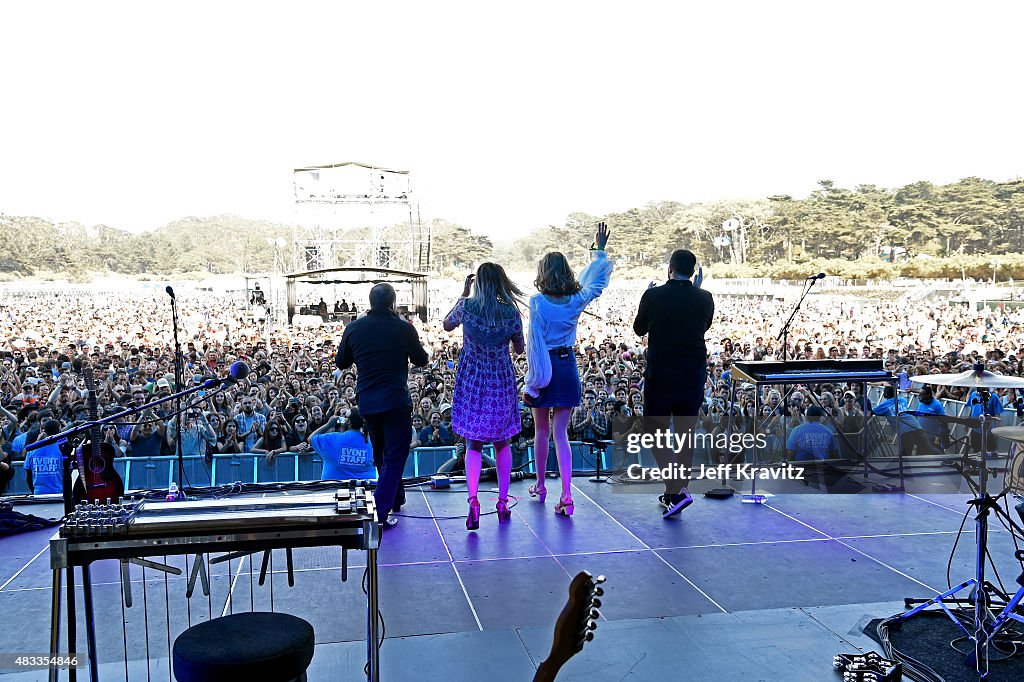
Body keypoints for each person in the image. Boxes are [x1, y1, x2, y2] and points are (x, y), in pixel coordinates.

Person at [524, 223, 613, 516]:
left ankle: (540, 485)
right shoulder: (576, 300)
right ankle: (566, 494)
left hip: (544, 367)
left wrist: (532, 381)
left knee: (541, 431)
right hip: (567, 366)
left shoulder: (536, 302)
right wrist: (599, 250)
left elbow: (534, 344)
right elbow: (596, 282)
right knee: (561, 434)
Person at [337, 283, 429, 529]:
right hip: (395, 400)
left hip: (367, 400)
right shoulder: (403, 328)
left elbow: (341, 361)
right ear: (393, 303)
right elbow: (421, 359)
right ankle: (380, 509)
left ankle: (395, 497)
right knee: (395, 455)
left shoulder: (354, 328)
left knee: (380, 453)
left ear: (370, 303)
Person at [442, 262, 525, 530]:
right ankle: (502, 501)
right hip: (500, 378)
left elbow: (446, 325)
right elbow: (520, 349)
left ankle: (474, 500)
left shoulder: (467, 307)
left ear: (477, 283)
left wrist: (463, 294)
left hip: (472, 379)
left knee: (473, 444)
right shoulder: (511, 312)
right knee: (503, 442)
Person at [633, 249, 713, 518]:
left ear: (670, 267)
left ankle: (677, 490)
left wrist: (646, 296)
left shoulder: (654, 295)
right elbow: (701, 327)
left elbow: (639, 329)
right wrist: (696, 292)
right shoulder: (705, 298)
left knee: (654, 432)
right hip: (692, 376)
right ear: (693, 271)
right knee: (684, 435)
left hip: (662, 375)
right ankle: (674, 493)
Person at [311, 411, 377, 481]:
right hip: (365, 488)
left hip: (333, 487)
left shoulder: (334, 438)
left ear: (349, 422)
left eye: (345, 417)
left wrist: (329, 425)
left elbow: (311, 438)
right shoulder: (371, 441)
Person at [23, 419, 64, 495]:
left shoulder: (32, 449)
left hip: (38, 493)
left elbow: (28, 477)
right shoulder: (63, 449)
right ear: (59, 430)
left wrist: (34, 492)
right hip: (59, 494)